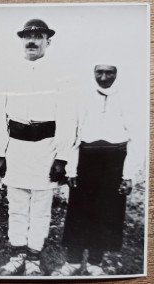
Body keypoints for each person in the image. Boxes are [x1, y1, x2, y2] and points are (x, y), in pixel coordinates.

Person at [0, 19, 76, 276]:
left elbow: (67, 117)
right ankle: (17, 256)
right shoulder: (8, 73)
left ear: (48, 41)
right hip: (16, 148)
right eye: (27, 36)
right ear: (21, 41)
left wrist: (62, 157)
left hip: (46, 149)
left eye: (38, 36)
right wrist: (0, 153)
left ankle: (34, 260)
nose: (32, 41)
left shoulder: (61, 74)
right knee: (17, 206)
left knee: (40, 208)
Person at [58, 63, 133, 275]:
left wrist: (127, 175)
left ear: (118, 73)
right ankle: (72, 261)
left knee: (107, 211)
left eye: (110, 72)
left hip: (115, 160)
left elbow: (136, 136)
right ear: (92, 72)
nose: (104, 76)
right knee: (78, 210)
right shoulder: (82, 97)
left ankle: (95, 262)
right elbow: (74, 133)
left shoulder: (126, 98)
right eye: (99, 72)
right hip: (87, 158)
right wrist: (72, 169)